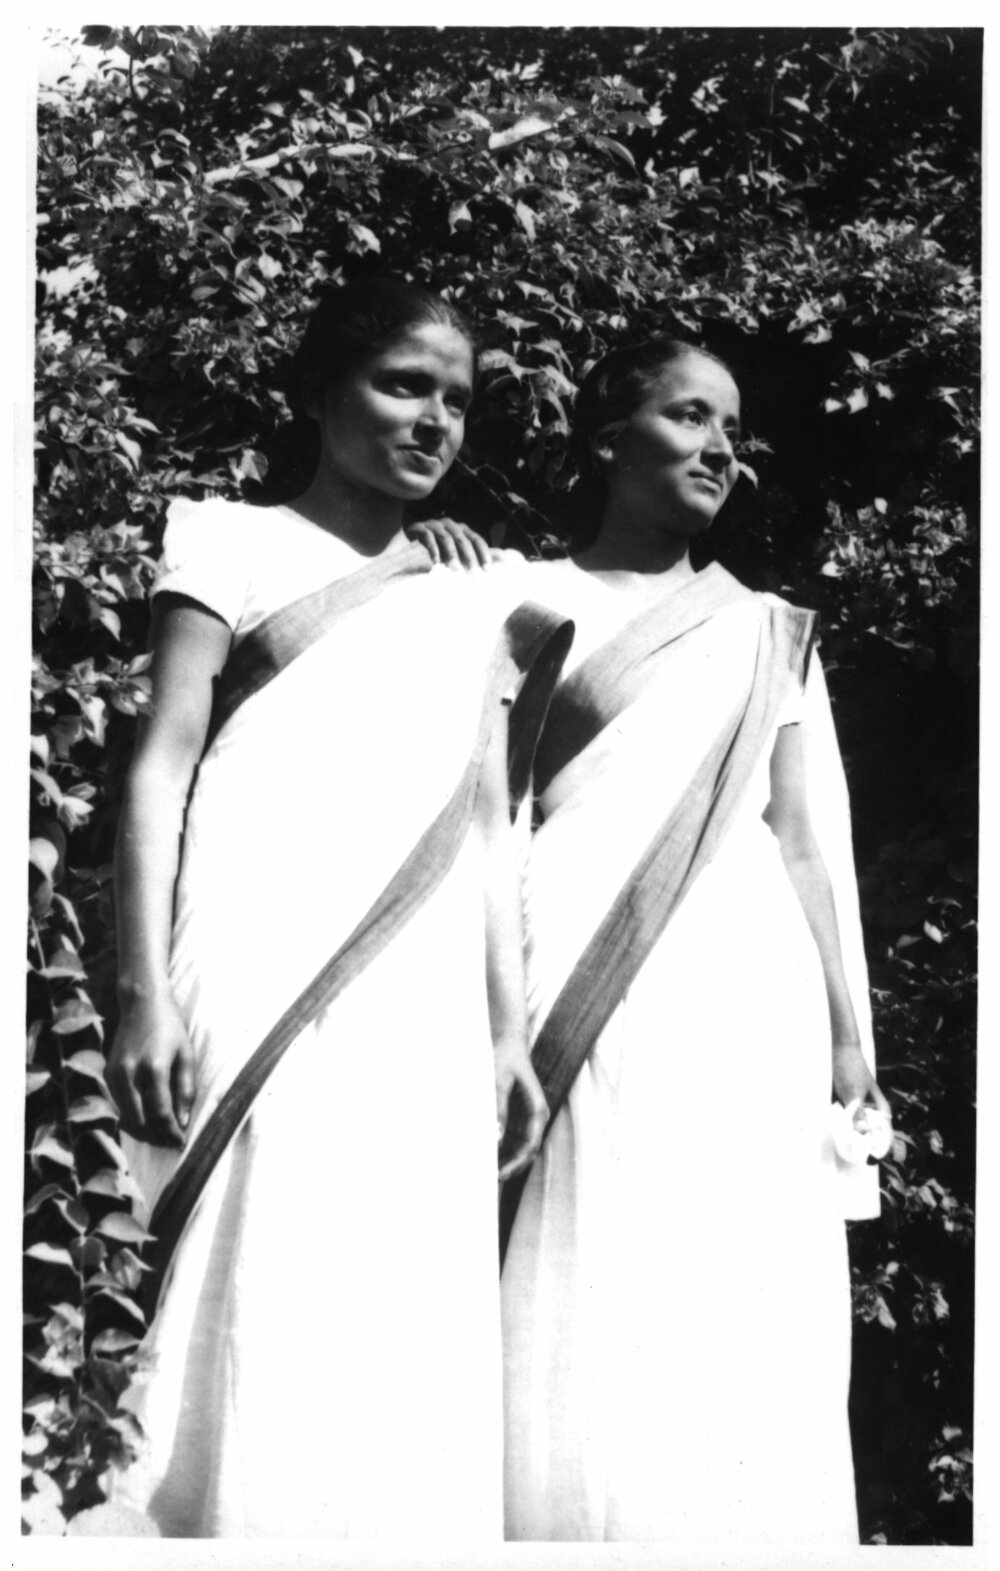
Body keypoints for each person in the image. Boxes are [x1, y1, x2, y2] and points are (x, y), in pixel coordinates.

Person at [105, 278, 560, 1538]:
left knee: (391, 1298)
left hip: (416, 997)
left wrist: (508, 1029)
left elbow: (485, 818)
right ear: (319, 390)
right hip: (253, 950)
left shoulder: (478, 587)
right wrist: (140, 988)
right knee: (251, 1267)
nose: (432, 420)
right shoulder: (228, 538)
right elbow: (164, 759)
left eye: (457, 400)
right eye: (401, 384)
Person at [497, 337, 892, 1545]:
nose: (722, 447)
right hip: (572, 973)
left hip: (742, 986)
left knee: (738, 1293)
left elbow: (809, 839)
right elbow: (490, 819)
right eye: (688, 416)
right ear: (606, 437)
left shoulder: (771, 630)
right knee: (593, 1278)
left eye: (732, 427)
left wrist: (848, 1033)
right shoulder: (518, 604)